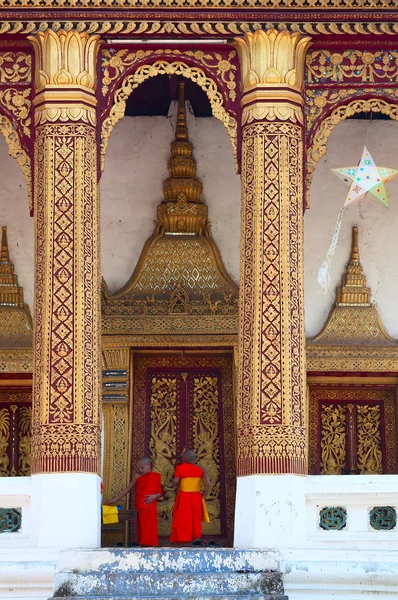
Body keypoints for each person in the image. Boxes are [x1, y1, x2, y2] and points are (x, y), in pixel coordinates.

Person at [105, 456, 162, 546]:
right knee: (141, 526)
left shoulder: (156, 476)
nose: (140, 470)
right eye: (138, 467)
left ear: (149, 466)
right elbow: (128, 489)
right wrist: (114, 500)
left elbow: (160, 492)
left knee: (151, 526)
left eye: (142, 467)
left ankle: (151, 545)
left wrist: (153, 496)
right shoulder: (137, 476)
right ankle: (141, 544)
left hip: (150, 505)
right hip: (140, 504)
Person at [170, 449, 210, 545]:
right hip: (196, 495)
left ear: (184, 459)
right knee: (196, 517)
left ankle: (183, 538)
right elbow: (207, 483)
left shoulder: (180, 468)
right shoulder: (201, 470)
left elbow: (175, 481)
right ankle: (196, 538)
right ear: (195, 459)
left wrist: (178, 486)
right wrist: (204, 493)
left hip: (184, 495)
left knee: (183, 517)